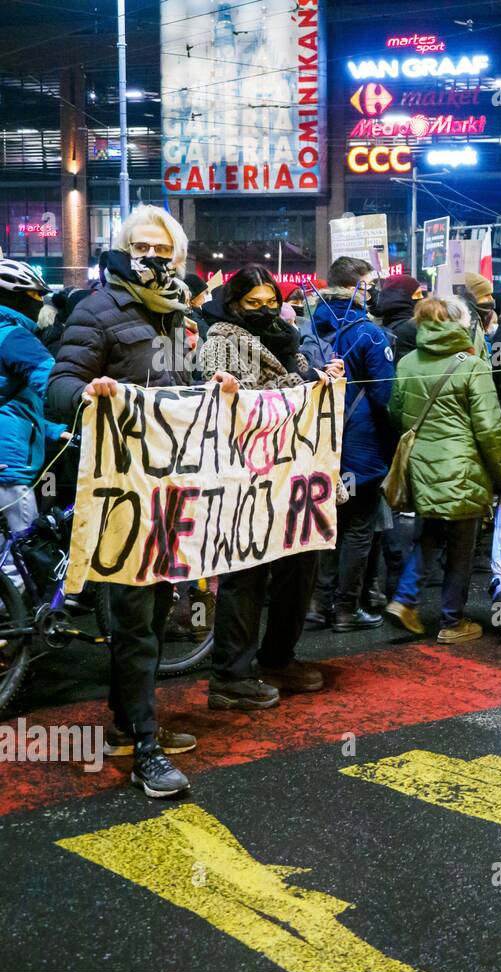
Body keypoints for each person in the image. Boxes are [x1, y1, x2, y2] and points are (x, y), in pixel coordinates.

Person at [48, 205, 235, 798]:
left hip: (168, 488)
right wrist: (90, 391)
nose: (153, 256)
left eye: (164, 249)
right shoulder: (96, 310)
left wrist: (213, 391)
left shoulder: (179, 318)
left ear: (178, 258)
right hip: (119, 491)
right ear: (123, 248)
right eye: (142, 246)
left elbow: (176, 392)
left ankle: (127, 724)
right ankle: (147, 749)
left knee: (152, 615)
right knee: (134, 620)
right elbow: (57, 390)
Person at [198, 266, 345, 710]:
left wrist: (323, 376)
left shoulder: (285, 334)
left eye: (269, 302)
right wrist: (299, 386)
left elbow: (299, 378)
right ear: (234, 302)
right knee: (246, 574)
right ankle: (231, 676)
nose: (264, 311)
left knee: (300, 567)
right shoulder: (222, 340)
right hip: (247, 476)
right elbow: (230, 405)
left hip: (292, 472)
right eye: (253, 303)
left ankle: (278, 657)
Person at [385, 297, 501, 641]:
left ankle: (405, 599)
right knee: (460, 549)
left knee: (427, 537)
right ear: (459, 324)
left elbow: (395, 413)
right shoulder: (472, 365)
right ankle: (452, 622)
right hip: (463, 469)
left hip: (422, 467)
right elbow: (489, 429)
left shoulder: (408, 361)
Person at [306, 256, 397, 631]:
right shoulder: (369, 334)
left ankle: (317, 603)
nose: (374, 289)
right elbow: (383, 395)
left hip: (319, 442)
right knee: (358, 526)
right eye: (370, 282)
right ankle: (346, 609)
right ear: (356, 286)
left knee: (326, 523)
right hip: (361, 445)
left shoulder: (308, 328)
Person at [0, 259, 66, 585]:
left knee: (4, 554)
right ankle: (15, 629)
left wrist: (55, 430)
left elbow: (15, 404)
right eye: (35, 296)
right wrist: (89, 399)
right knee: (21, 555)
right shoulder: (14, 337)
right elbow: (54, 382)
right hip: (9, 464)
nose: (40, 303)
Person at [374, 274, 425, 358]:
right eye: (418, 294)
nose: (422, 298)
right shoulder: (416, 327)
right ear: (402, 297)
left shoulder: (383, 324)